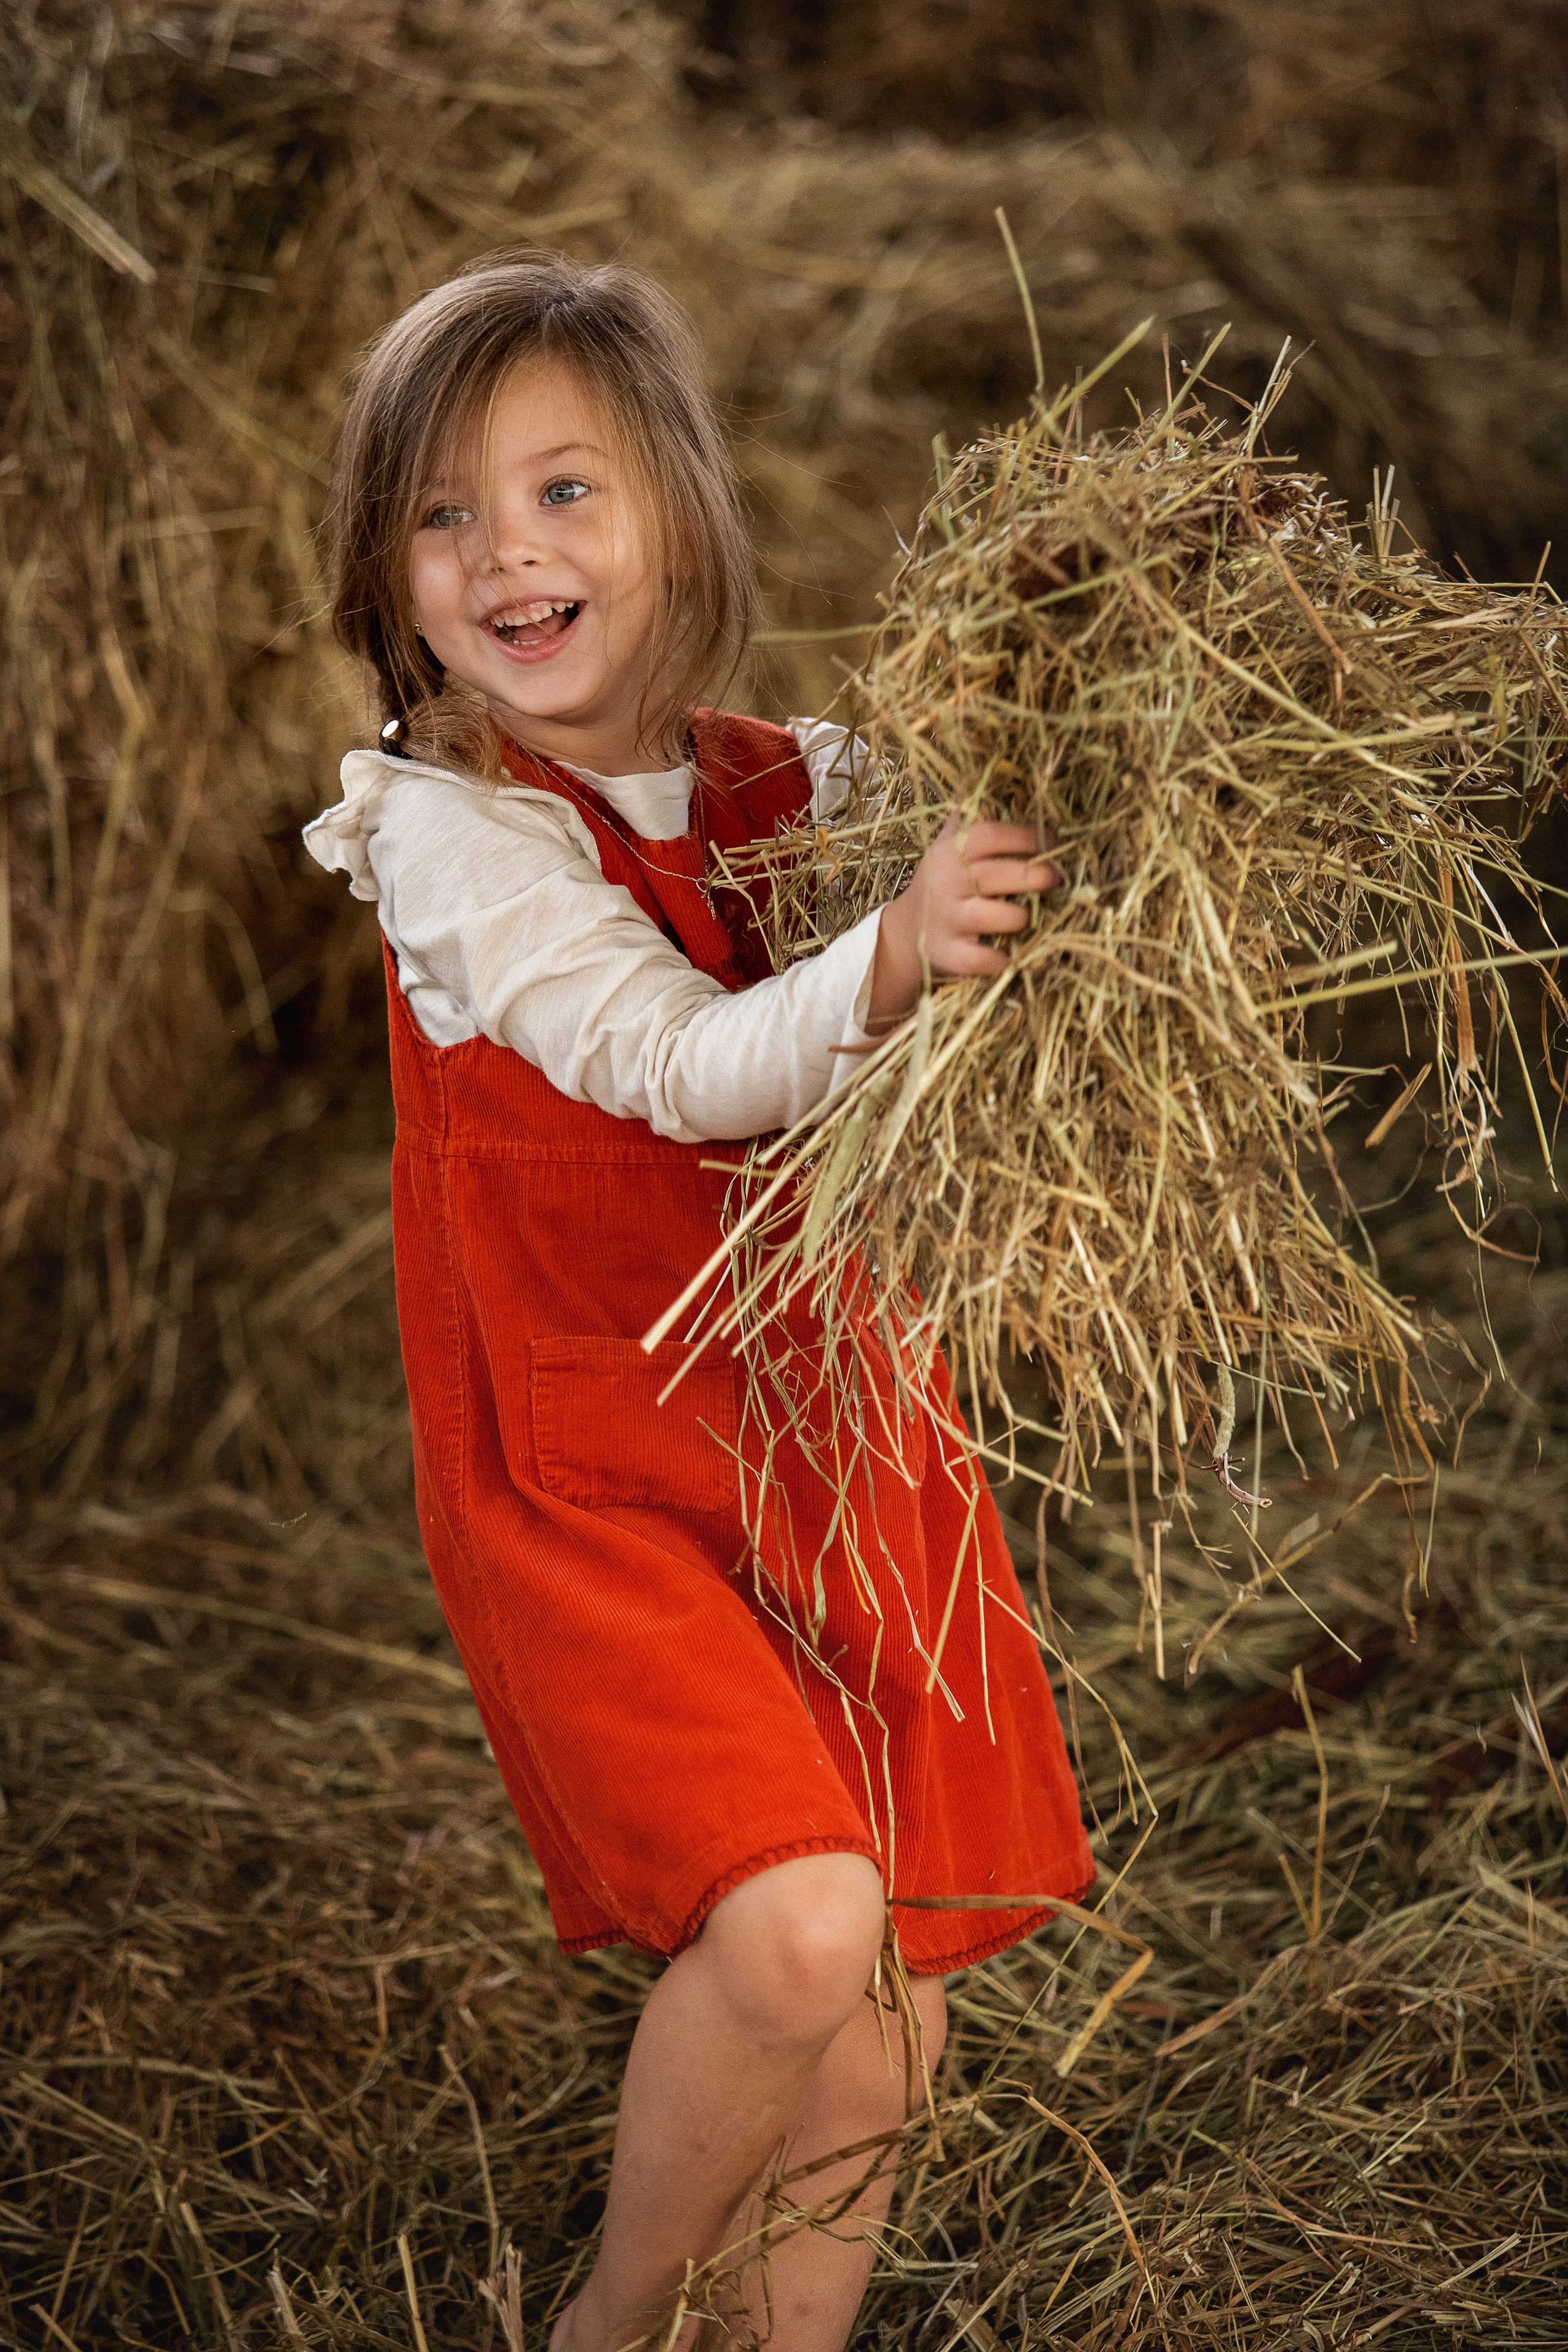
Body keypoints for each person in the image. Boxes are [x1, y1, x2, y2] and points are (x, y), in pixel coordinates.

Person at [305, 249, 1093, 2352]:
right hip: (601, 1469)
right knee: (797, 1920)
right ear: (391, 572)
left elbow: (987, 841)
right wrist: (905, 955)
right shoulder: (453, 838)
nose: (508, 554)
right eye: (446, 512)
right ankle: (615, 2326)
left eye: (565, 492)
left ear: (677, 506)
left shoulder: (796, 783)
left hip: (844, 1439)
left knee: (889, 1999)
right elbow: (680, 1060)